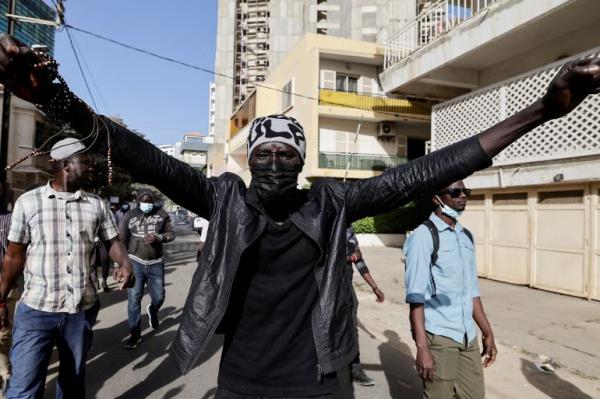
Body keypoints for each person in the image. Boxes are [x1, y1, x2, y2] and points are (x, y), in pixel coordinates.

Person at [0, 35, 597, 398]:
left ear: (304, 161)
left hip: (319, 381)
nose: (278, 159)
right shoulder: (224, 199)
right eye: (266, 152)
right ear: (251, 159)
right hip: (237, 382)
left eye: (289, 152)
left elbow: (426, 169)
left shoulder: (332, 203)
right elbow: (144, 158)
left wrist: (542, 110)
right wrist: (57, 100)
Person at [0, 138, 134, 399]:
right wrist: (1, 300)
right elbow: (14, 258)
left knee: (72, 384)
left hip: (80, 311)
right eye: (85, 161)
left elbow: (113, 242)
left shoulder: (97, 204)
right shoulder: (28, 202)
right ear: (66, 165)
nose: (90, 167)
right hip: (37, 311)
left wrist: (124, 262)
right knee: (24, 388)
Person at [404, 180, 496, 398]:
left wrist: (487, 331)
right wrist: (422, 348)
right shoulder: (423, 236)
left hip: (467, 336)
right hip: (439, 336)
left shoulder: (466, 236)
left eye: (466, 191)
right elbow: (415, 297)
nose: (462, 195)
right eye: (455, 191)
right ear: (437, 198)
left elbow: (471, 290)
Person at [120, 190, 175, 349]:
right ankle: (135, 335)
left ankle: (153, 309)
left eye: (149, 200)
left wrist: (158, 237)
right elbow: (122, 239)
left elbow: (171, 234)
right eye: (143, 200)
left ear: (153, 201)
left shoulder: (162, 214)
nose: (146, 202)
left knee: (159, 297)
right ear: (138, 201)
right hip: (135, 262)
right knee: (133, 300)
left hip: (156, 263)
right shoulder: (130, 215)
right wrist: (120, 264)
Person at [345, 226, 384, 387]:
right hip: (324, 289)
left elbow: (360, 261)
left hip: (346, 288)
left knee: (351, 328)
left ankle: (355, 369)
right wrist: (349, 257)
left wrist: (374, 286)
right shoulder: (325, 222)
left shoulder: (349, 231)